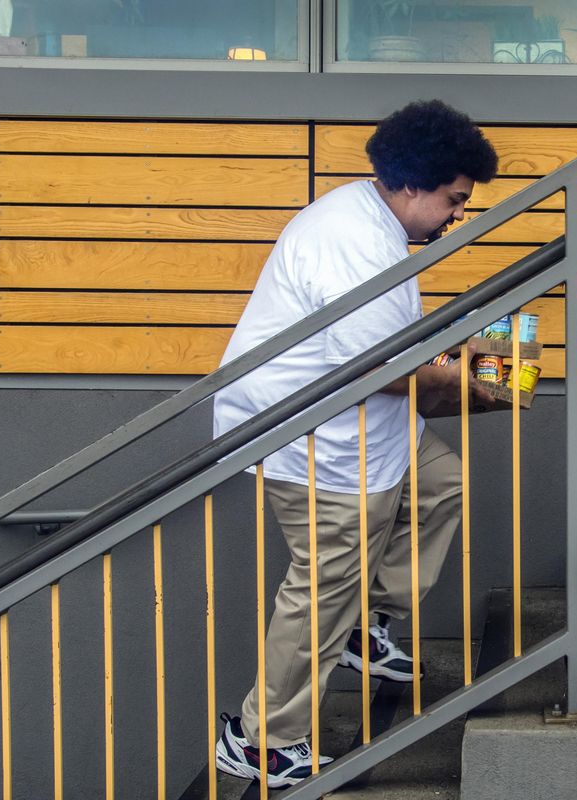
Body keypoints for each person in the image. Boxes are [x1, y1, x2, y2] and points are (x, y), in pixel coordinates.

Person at [211, 99, 498, 788]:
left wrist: (461, 367)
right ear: (412, 185)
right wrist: (465, 378)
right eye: (455, 199)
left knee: (439, 485)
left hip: (365, 429)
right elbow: (384, 369)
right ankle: (262, 740)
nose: (458, 214)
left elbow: (394, 354)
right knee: (321, 590)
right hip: (310, 440)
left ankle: (366, 626)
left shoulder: (375, 224)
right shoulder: (354, 243)